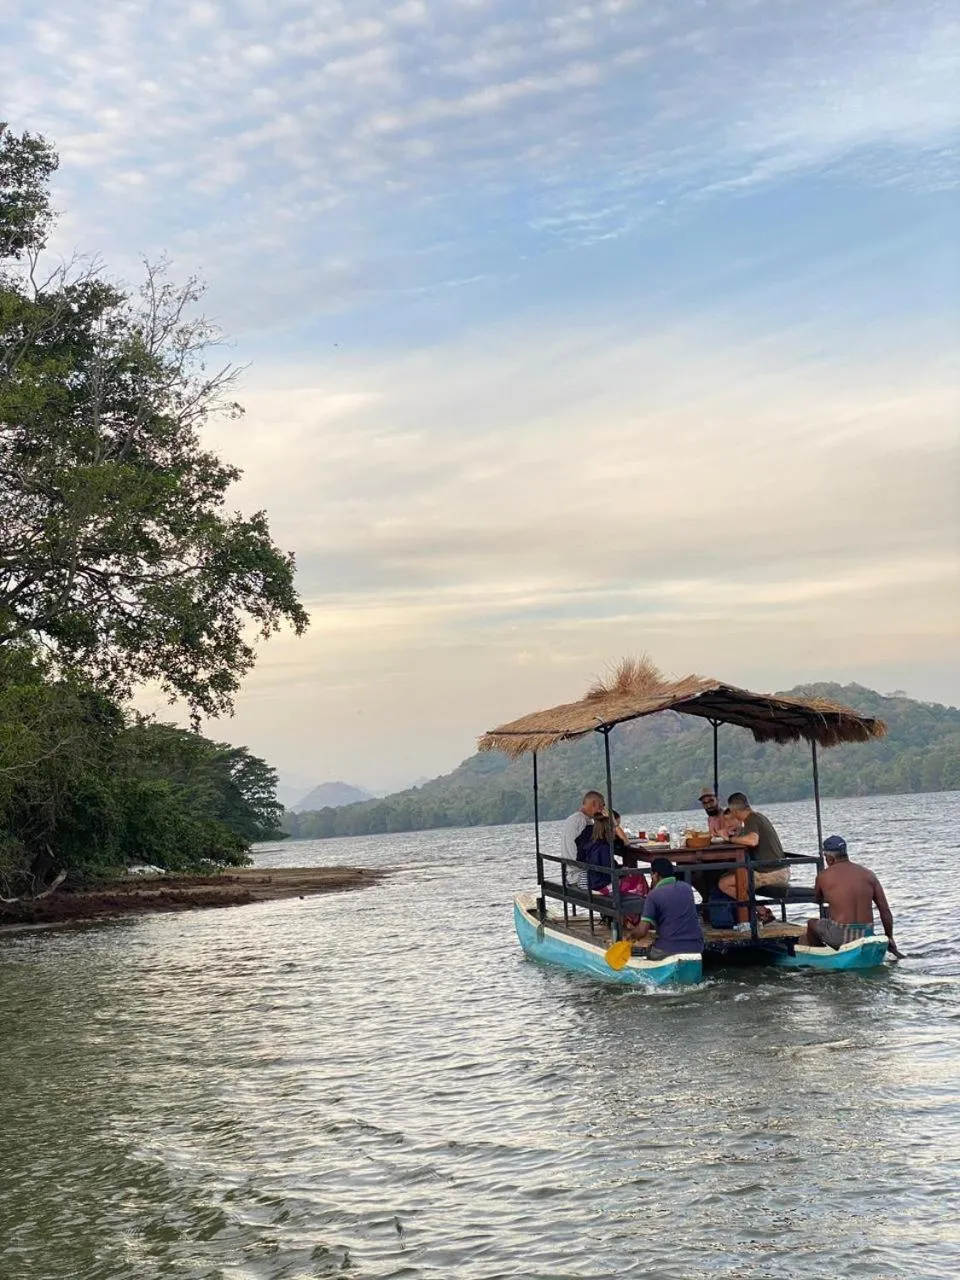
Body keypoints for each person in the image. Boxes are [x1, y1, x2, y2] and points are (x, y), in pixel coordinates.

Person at [806, 835, 903, 957]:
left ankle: (821, 957)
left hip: (840, 936)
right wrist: (889, 937)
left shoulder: (823, 876)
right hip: (866, 933)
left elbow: (818, 899)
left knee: (811, 924)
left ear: (830, 858)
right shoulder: (869, 875)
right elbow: (885, 911)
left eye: (825, 857)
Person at [717, 791, 790, 925]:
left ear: (734, 810)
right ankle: (759, 913)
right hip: (774, 869)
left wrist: (729, 838)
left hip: (773, 873)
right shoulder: (757, 817)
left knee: (724, 884)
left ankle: (761, 913)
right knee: (727, 877)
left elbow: (752, 841)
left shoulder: (751, 819)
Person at [629, 857, 703, 959]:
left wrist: (631, 936)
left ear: (655, 875)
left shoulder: (653, 896)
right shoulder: (687, 888)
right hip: (695, 947)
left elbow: (642, 931)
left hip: (668, 949)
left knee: (650, 952)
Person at [560, 790, 605, 890]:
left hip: (569, 871)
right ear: (594, 804)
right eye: (602, 806)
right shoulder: (584, 823)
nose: (602, 810)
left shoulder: (572, 819)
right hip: (579, 874)